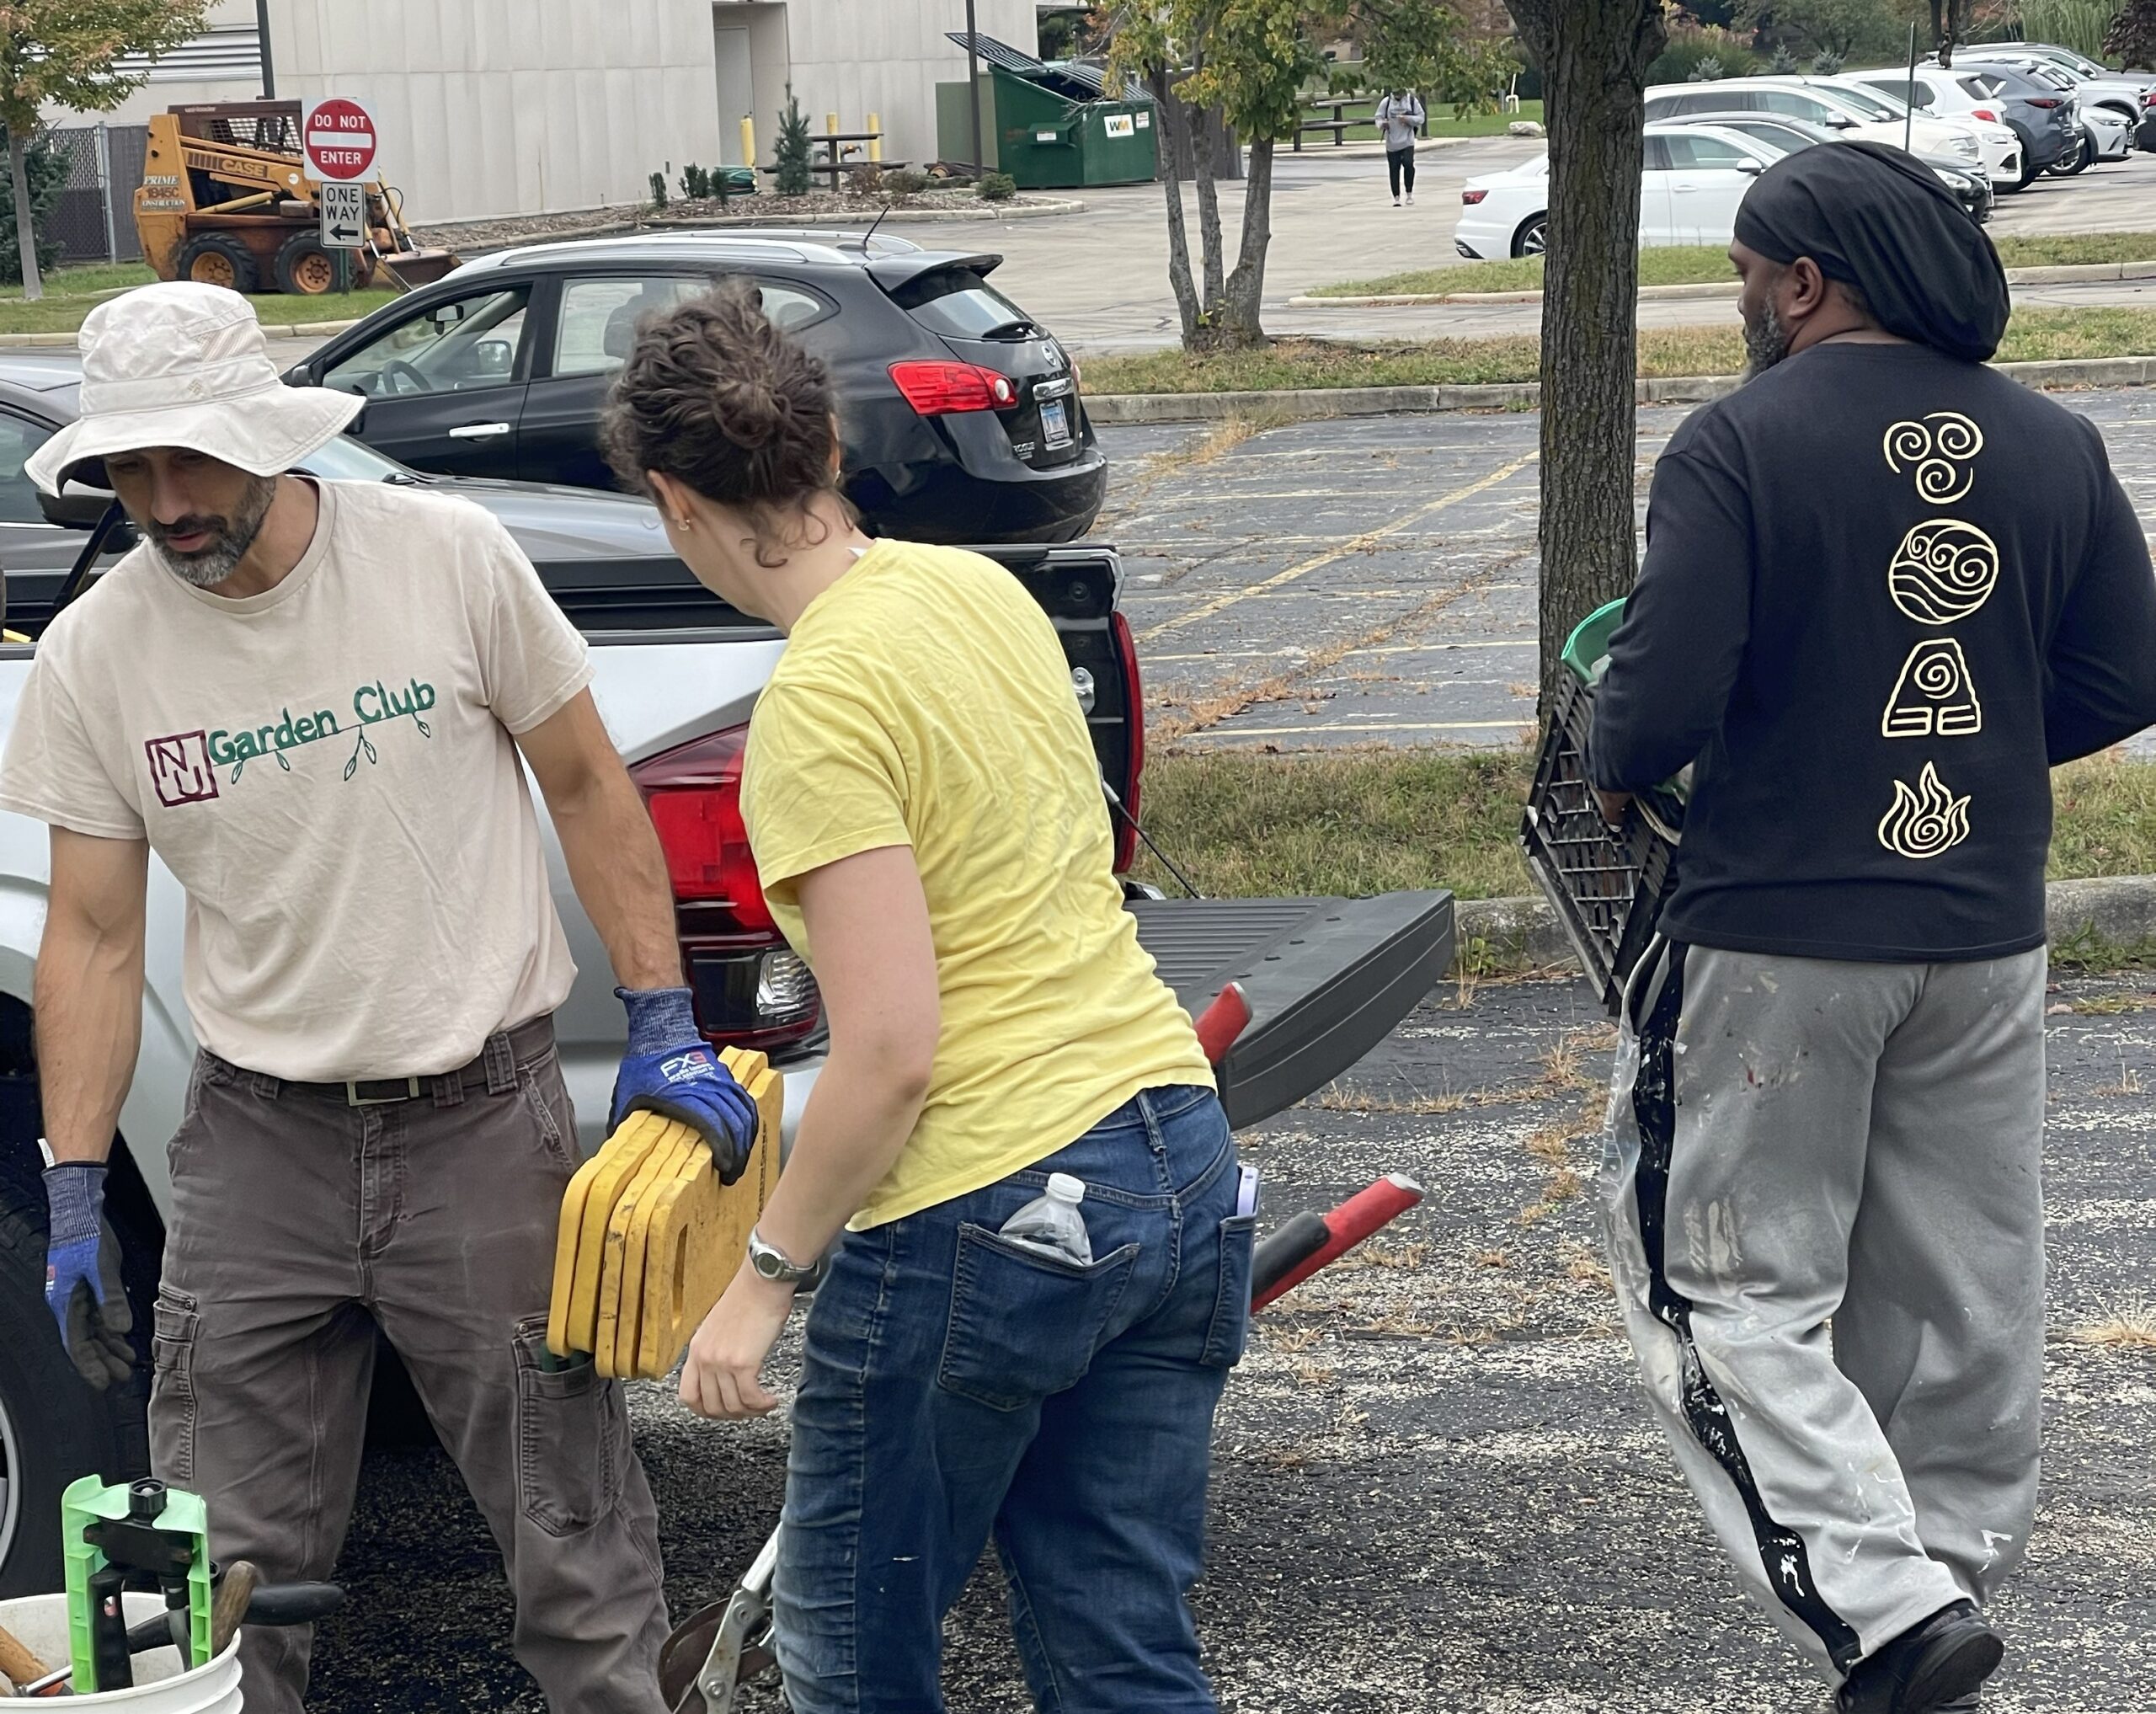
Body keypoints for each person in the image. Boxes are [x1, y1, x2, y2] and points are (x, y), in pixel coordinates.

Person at [8, 281, 763, 1713]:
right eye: (131, 470)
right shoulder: (99, 652)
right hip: (256, 1141)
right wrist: (73, 1179)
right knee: (198, 1568)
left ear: (268, 436)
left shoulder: (443, 558)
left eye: (191, 462)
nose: (165, 504)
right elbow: (93, 936)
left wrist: (662, 1015)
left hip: (478, 1121)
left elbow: (588, 783)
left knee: (574, 1537)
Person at [600, 285, 1244, 1714]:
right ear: (832, 445)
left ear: (673, 501)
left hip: (986, 1206)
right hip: (1174, 1153)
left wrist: (758, 1285)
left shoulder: (816, 706)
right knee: (1122, 1648)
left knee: (850, 1660)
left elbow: (892, 1049)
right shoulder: (977, 590)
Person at [1588, 142, 2156, 1714]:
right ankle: (1946, 1584)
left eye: (1745, 276)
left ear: (1806, 281)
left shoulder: (1738, 442)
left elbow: (1652, 710)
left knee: (1725, 1287)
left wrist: (1624, 748)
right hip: (1985, 931)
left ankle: (1890, 1613)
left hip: (1778, 937)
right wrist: (1963, 745)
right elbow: (2127, 672)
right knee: (1960, 1286)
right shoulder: (2052, 440)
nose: (1742, 302)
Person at [1375, 88, 1425, 204]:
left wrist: (1408, 119)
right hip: (1392, 142)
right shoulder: (1387, 102)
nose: (1398, 96)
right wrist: (1383, 124)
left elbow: (1421, 118)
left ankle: (1409, 193)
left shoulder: (1411, 101)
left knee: (1408, 164)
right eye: (1396, 94)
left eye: (1400, 94)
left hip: (1407, 141)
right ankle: (1396, 197)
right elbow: (1378, 118)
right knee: (1394, 169)